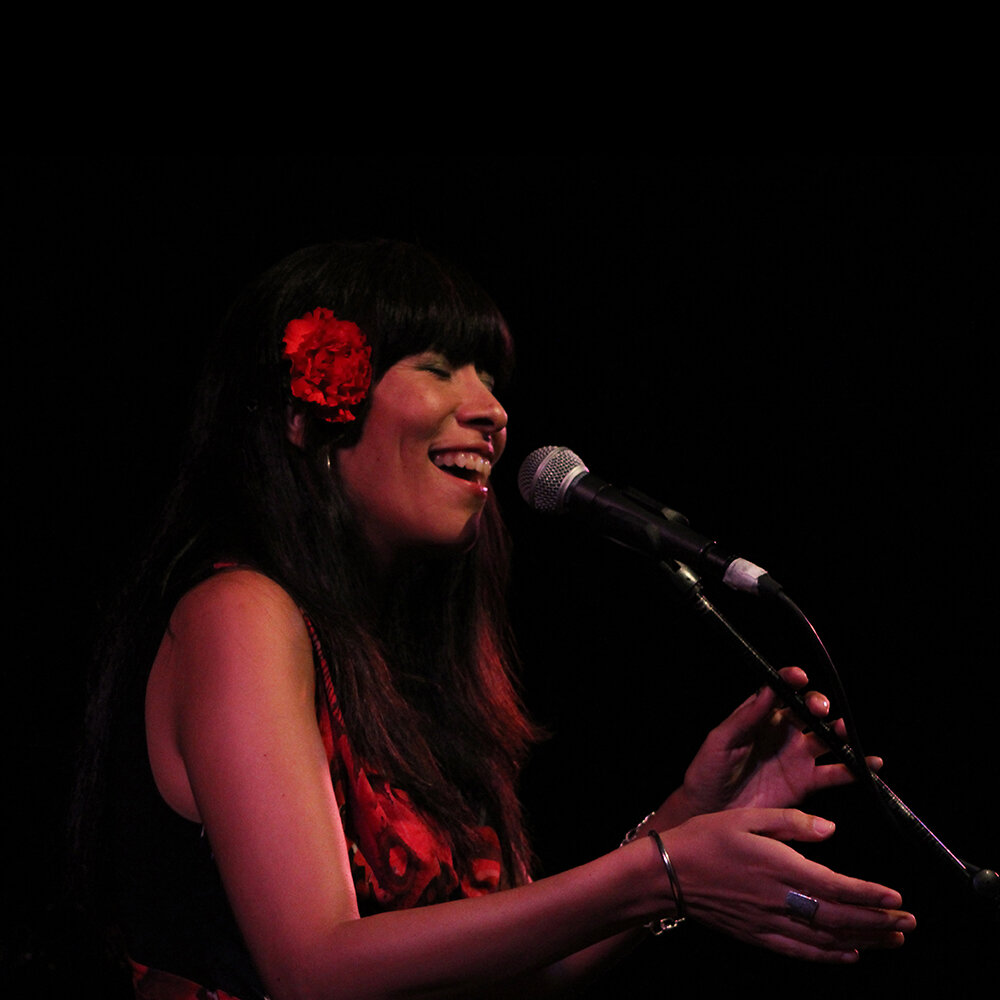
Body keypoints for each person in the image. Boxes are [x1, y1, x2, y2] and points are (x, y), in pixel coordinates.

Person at [72, 240, 915, 1000]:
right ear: (307, 413)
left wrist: (686, 819)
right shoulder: (237, 614)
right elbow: (315, 968)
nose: (492, 412)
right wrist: (663, 873)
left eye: (489, 378)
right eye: (439, 368)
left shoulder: (389, 652)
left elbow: (516, 971)